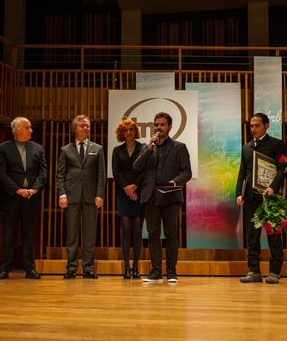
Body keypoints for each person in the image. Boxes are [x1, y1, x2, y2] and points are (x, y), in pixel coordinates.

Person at [133, 112, 192, 283]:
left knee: (171, 235)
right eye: (156, 125)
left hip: (170, 196)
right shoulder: (147, 147)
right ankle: (156, 272)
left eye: (162, 125)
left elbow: (187, 172)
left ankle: (171, 272)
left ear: (169, 127)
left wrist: (175, 182)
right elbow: (137, 167)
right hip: (151, 197)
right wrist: (149, 148)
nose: (159, 128)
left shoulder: (179, 147)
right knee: (153, 235)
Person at [235, 113, 286, 284]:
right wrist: (239, 193)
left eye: (257, 125)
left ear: (266, 125)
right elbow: (242, 172)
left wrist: (273, 188)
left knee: (273, 234)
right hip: (251, 197)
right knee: (252, 236)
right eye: (251, 126)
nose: (253, 129)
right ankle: (254, 271)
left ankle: (275, 272)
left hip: (270, 197)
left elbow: (282, 170)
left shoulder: (276, 144)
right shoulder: (246, 147)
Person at [0, 117, 47, 280]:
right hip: (10, 198)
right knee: (8, 235)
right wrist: (17, 190)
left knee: (29, 236)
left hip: (31, 198)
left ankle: (30, 269)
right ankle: (4, 269)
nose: (31, 130)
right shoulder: (3, 148)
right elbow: (1, 173)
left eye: (30, 127)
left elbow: (43, 172)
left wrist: (35, 189)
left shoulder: (38, 148)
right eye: (27, 127)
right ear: (16, 130)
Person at [57, 115, 106, 279]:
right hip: (71, 197)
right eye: (82, 126)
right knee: (71, 234)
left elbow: (101, 174)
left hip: (91, 197)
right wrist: (62, 194)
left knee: (90, 234)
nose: (86, 128)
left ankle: (88, 268)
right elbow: (60, 175)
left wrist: (100, 195)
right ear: (74, 129)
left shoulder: (97, 149)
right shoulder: (65, 150)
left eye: (87, 126)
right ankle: (71, 268)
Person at [112, 118, 144, 279]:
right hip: (123, 195)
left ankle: (136, 267)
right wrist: (127, 188)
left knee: (137, 230)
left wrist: (135, 186)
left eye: (132, 129)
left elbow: (145, 170)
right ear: (122, 133)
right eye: (126, 130)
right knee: (125, 230)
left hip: (138, 193)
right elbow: (116, 172)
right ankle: (126, 267)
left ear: (135, 132)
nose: (129, 132)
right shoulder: (117, 150)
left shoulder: (143, 148)